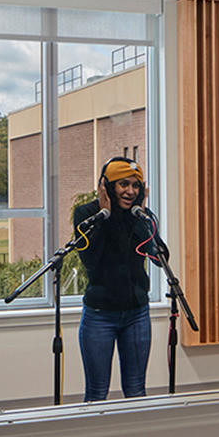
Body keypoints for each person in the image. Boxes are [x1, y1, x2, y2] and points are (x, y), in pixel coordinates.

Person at [71, 157, 159, 401]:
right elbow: (90, 260)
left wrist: (141, 215)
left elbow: (157, 257)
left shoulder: (141, 216)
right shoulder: (87, 214)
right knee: (97, 392)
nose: (130, 191)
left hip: (137, 313)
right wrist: (105, 214)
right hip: (100, 314)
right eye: (123, 185)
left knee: (136, 391)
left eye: (136, 186)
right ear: (106, 186)